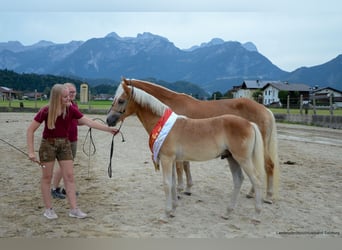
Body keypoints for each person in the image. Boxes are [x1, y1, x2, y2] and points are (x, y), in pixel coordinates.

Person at [27, 83, 118, 219]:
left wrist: (108, 129)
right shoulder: (46, 110)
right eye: (65, 97)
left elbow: (89, 122)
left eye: (69, 96)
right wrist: (31, 152)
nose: (69, 99)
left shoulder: (71, 109)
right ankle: (49, 209)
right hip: (48, 145)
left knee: (69, 176)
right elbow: (30, 130)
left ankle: (74, 209)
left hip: (65, 144)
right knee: (47, 178)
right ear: (57, 98)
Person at [51, 82, 79, 199]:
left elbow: (77, 121)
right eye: (69, 92)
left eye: (73, 92)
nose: (71, 94)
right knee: (64, 167)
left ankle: (66, 189)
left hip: (73, 139)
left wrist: (90, 123)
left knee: (67, 167)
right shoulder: (61, 106)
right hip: (65, 140)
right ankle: (54, 188)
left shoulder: (74, 105)